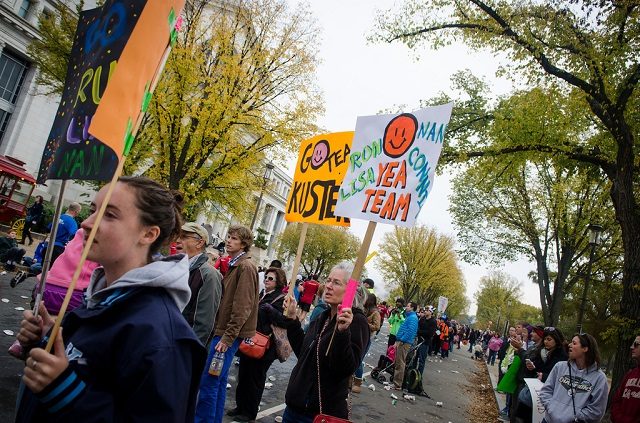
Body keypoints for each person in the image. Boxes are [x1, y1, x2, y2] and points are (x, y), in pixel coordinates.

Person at [14, 176, 206, 421]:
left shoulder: (160, 336)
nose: (86, 223)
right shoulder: (102, 300)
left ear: (148, 234)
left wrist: (65, 390)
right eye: (93, 210)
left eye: (109, 215)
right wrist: (46, 341)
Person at [273, 262, 368, 422]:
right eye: (328, 280)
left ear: (351, 291)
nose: (328, 286)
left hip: (319, 415)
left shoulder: (356, 322)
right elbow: (304, 352)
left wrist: (342, 333)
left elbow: (345, 368)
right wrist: (292, 319)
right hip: (295, 408)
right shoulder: (322, 316)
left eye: (336, 283)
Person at [195, 225, 259, 423]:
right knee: (218, 382)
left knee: (209, 382)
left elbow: (242, 306)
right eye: (229, 236)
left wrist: (227, 337)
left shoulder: (245, 267)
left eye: (234, 238)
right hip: (224, 332)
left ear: (244, 244)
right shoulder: (237, 264)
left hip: (226, 335)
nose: (229, 240)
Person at [228, 267, 287, 422]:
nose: (266, 280)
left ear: (278, 282)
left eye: (270, 278)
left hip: (265, 346)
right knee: (244, 375)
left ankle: (249, 412)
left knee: (255, 379)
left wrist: (270, 310)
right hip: (251, 340)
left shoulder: (281, 298)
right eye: (266, 277)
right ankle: (240, 407)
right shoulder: (262, 294)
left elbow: (284, 321)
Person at [538, 333, 608, 423]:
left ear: (585, 348)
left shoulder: (599, 378)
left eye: (574, 343)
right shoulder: (559, 367)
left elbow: (597, 410)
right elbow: (545, 391)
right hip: (548, 420)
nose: (569, 345)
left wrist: (576, 416)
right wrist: (552, 408)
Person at [177, 222, 223, 346]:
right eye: (179, 236)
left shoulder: (209, 275)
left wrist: (189, 354)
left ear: (200, 243)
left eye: (184, 237)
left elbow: (204, 324)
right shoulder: (177, 266)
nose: (178, 240)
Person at [352, 292, 380, 393]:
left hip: (367, 338)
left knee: (358, 359)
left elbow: (377, 326)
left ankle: (358, 382)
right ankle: (350, 379)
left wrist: (365, 324)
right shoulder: (365, 310)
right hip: (360, 335)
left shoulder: (375, 312)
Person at [610, 333, 640, 423]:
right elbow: (616, 400)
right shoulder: (630, 374)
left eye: (636, 344)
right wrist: (618, 418)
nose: (631, 347)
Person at [393, 301, 419, 390]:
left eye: (408, 306)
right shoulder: (410, 317)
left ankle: (397, 384)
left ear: (412, 308)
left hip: (404, 342)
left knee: (400, 363)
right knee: (398, 362)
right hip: (403, 341)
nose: (406, 307)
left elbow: (410, 332)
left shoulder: (413, 318)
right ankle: (396, 382)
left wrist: (402, 340)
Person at [417, 307, 437, 376]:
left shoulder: (433, 321)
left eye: (428, 310)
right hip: (418, 341)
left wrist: (420, 332)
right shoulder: (422, 319)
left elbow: (430, 333)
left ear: (431, 312)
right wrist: (419, 332)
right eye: (425, 310)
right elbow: (418, 327)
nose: (425, 311)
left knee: (421, 361)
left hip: (425, 343)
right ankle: (411, 375)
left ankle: (419, 376)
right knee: (414, 359)